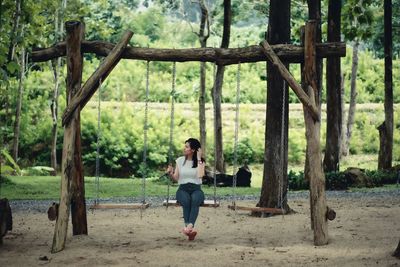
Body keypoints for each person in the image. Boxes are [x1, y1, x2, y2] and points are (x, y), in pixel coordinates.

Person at [167, 138, 205, 241]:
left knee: (195, 200)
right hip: (182, 189)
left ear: (193, 150)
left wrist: (198, 158)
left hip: (196, 189)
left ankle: (188, 228)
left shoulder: (200, 161)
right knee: (186, 201)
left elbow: (201, 175)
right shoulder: (180, 161)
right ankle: (190, 229)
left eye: (187, 147)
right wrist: (170, 173)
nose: (185, 148)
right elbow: (176, 178)